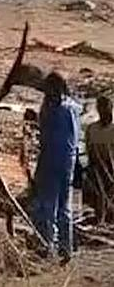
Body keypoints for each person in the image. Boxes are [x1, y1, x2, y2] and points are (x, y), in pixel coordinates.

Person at [33, 72, 80, 260]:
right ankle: (63, 247)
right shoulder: (69, 107)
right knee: (62, 207)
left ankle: (49, 246)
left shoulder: (55, 110)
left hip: (54, 162)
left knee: (49, 206)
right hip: (65, 162)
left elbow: (48, 139)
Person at [85, 96, 114, 223]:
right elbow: (90, 151)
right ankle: (100, 218)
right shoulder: (92, 129)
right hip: (97, 169)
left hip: (110, 167)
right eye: (102, 109)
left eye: (107, 109)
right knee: (99, 194)